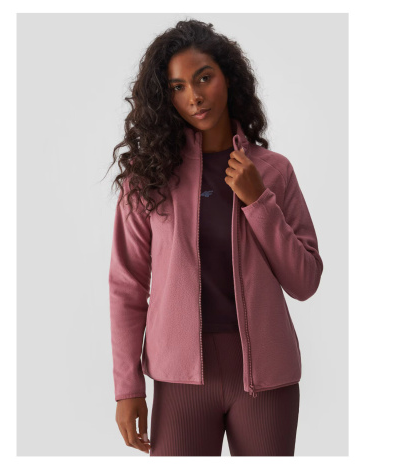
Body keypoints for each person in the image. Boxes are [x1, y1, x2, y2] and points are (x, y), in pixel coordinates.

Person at [106, 19, 323, 456]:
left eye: (204, 78)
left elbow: (305, 281)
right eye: (178, 87)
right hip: (180, 379)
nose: (195, 96)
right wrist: (128, 388)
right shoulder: (148, 180)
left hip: (267, 379)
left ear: (228, 77)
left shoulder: (273, 171)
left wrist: (258, 200)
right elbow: (127, 287)